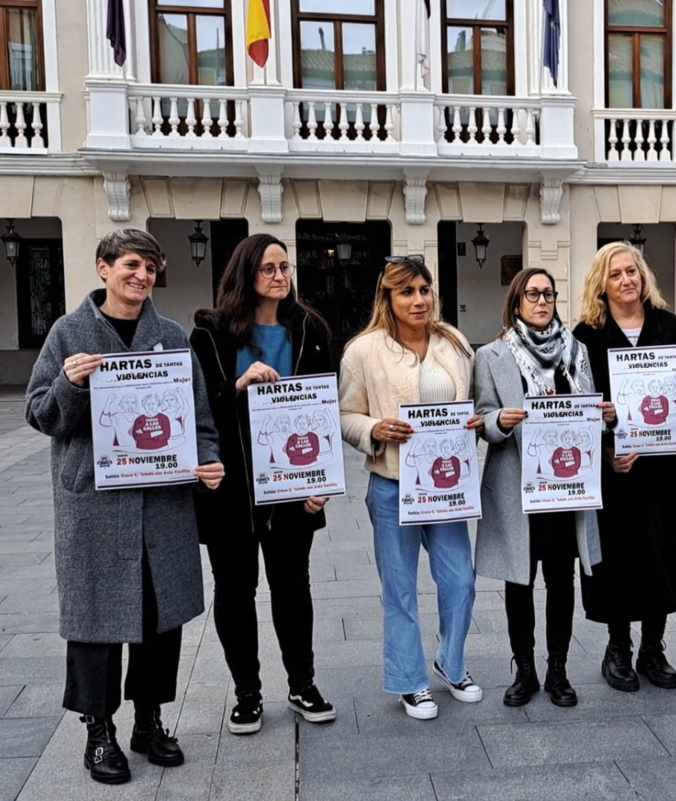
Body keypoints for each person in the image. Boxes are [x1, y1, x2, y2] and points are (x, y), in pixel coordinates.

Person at [25, 229, 224, 784]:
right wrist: (68, 383)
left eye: (151, 267)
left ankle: (149, 721)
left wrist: (207, 461)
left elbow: (200, 419)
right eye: (132, 265)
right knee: (96, 622)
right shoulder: (69, 334)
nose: (142, 276)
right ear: (104, 268)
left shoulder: (171, 337)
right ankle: (98, 731)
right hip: (93, 504)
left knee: (160, 618)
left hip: (162, 503)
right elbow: (39, 414)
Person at [190, 234, 336, 734]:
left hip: (293, 484)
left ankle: (302, 684)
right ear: (245, 273)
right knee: (235, 591)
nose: (281, 276)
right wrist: (237, 386)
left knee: (293, 588)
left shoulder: (310, 328)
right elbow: (198, 411)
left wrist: (323, 482)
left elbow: (323, 410)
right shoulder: (210, 334)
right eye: (269, 268)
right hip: (230, 488)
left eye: (285, 267)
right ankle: (247, 692)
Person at [339, 256, 481, 721]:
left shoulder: (454, 342)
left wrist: (476, 422)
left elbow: (472, 403)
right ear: (388, 297)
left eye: (424, 290)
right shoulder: (364, 350)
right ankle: (409, 681)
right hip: (393, 485)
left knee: (459, 581)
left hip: (446, 486)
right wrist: (375, 428)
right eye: (407, 292)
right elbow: (344, 415)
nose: (418, 300)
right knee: (399, 589)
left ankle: (451, 663)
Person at [473, 267, 614, 708]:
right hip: (517, 485)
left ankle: (557, 669)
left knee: (561, 579)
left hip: (565, 488)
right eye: (532, 294)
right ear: (516, 301)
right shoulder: (492, 355)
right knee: (520, 581)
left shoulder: (577, 351)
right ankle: (525, 670)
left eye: (548, 294)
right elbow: (481, 416)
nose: (541, 301)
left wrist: (603, 418)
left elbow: (588, 408)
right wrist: (500, 420)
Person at [572, 242, 676, 693]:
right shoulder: (585, 335)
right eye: (616, 274)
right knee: (620, 561)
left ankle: (653, 647)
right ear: (601, 285)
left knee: (662, 557)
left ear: (644, 277)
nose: (626, 280)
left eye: (632, 271)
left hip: (664, 468)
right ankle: (618, 647)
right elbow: (575, 405)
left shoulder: (670, 326)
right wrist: (604, 442)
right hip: (616, 471)